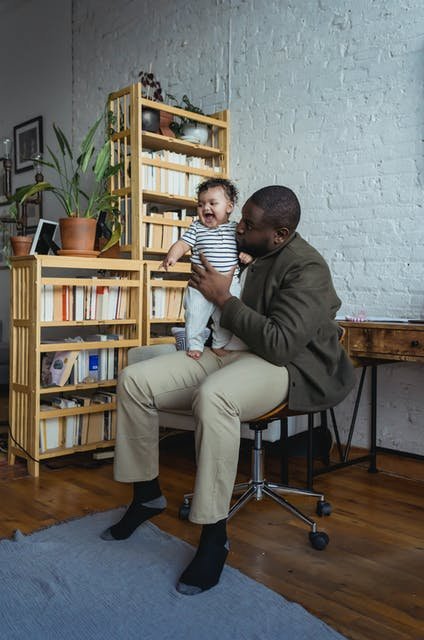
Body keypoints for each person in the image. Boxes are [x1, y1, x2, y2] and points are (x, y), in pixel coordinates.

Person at [101, 185, 356, 596]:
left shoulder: (307, 269)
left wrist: (221, 296)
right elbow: (202, 248)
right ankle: (146, 495)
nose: (240, 226)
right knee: (135, 379)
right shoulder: (236, 240)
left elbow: (279, 344)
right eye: (242, 218)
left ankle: (214, 535)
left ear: (280, 233)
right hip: (230, 348)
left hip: (285, 366)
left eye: (249, 224)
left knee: (214, 395)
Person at [160, 177, 251, 359]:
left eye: (212, 203)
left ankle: (219, 343)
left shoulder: (234, 229)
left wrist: (247, 255)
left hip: (229, 284)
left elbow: (245, 245)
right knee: (194, 313)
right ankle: (194, 343)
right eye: (201, 205)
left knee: (225, 316)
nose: (206, 208)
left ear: (229, 207)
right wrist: (172, 255)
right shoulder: (196, 228)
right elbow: (182, 243)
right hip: (199, 285)